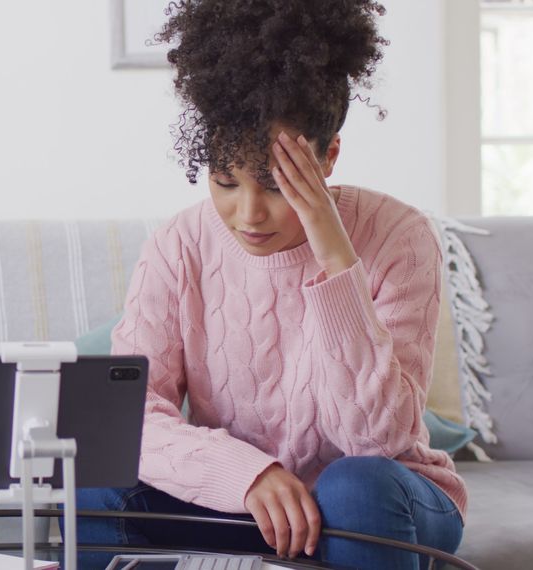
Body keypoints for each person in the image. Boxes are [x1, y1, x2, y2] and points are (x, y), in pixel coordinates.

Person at [76, 1, 466, 569]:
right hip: (244, 505)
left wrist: (335, 255)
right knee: (88, 491)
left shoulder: (400, 236)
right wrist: (247, 474)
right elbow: (125, 416)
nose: (247, 214)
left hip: (377, 503)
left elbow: (377, 440)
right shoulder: (179, 244)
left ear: (329, 155)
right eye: (224, 181)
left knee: (355, 487)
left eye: (276, 186)